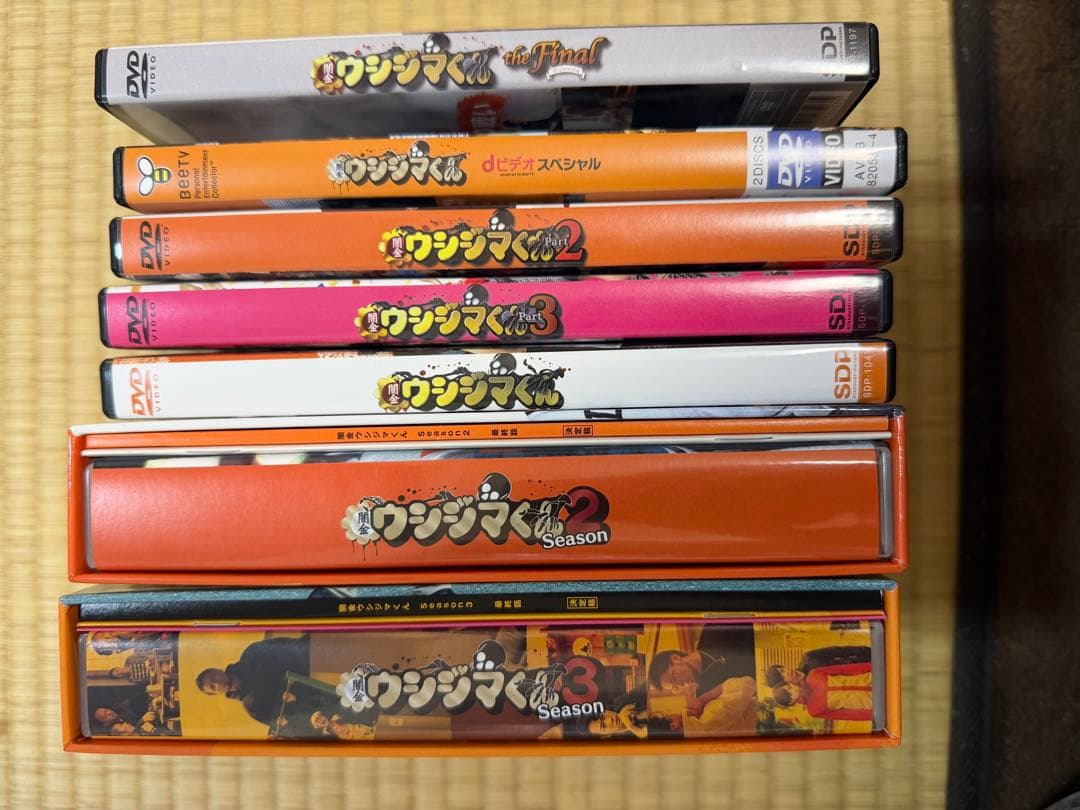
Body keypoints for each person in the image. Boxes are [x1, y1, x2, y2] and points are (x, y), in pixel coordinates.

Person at [196, 635, 311, 726]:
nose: (217, 683)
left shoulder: (252, 654)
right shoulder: (252, 706)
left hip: (311, 660)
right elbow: (288, 721)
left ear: (218, 670)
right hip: (314, 693)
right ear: (217, 693)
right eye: (213, 687)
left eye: (214, 677)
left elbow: (287, 646)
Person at [648, 625, 756, 717]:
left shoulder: (712, 632)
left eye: (674, 679)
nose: (681, 686)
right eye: (675, 688)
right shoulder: (704, 696)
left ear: (676, 658)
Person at [772, 661, 873, 721]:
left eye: (789, 687)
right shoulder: (814, 710)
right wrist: (874, 715)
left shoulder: (814, 674)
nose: (793, 689)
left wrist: (872, 667)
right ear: (791, 701)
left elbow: (845, 669)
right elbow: (847, 715)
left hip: (872, 678)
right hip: (871, 703)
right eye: (790, 693)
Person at [667, 675, 758, 737]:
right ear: (674, 726)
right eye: (680, 714)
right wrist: (707, 697)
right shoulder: (707, 723)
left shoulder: (698, 734)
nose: (684, 710)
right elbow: (746, 684)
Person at [765, 645, 873, 689]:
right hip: (863, 685)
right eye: (783, 676)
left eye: (783, 670)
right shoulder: (808, 690)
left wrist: (868, 651)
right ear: (785, 684)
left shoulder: (808, 657)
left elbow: (839, 651)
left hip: (864, 663)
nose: (787, 673)